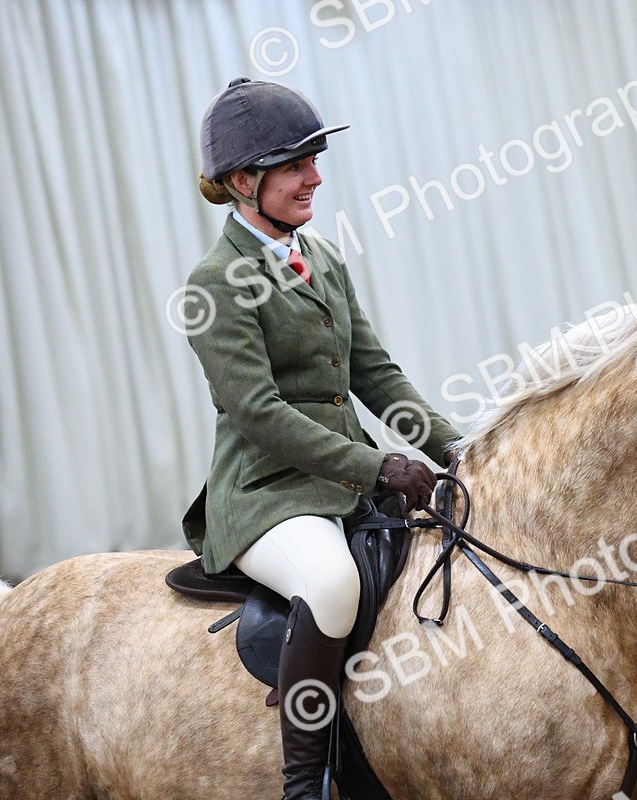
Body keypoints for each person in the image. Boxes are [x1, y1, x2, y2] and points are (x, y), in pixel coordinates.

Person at [180, 77, 460, 800]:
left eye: (314, 159)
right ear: (244, 182)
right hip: (266, 495)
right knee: (332, 584)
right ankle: (306, 784)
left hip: (343, 484)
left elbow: (376, 374)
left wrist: (454, 447)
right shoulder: (214, 284)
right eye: (296, 164)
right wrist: (376, 465)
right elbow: (261, 413)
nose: (316, 176)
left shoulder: (323, 260)